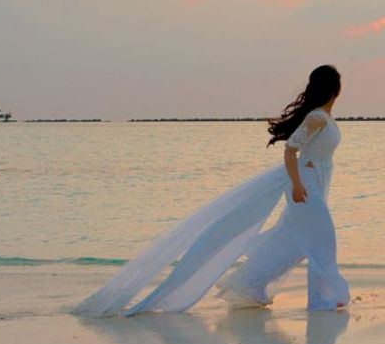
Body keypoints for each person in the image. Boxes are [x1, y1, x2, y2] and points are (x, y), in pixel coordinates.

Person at [73, 65, 352, 316]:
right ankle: (322, 301)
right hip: (305, 185)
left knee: (293, 242)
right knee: (322, 240)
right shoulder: (316, 118)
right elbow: (291, 150)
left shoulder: (325, 118)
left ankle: (248, 284)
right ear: (334, 89)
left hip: (315, 183)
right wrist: (297, 185)